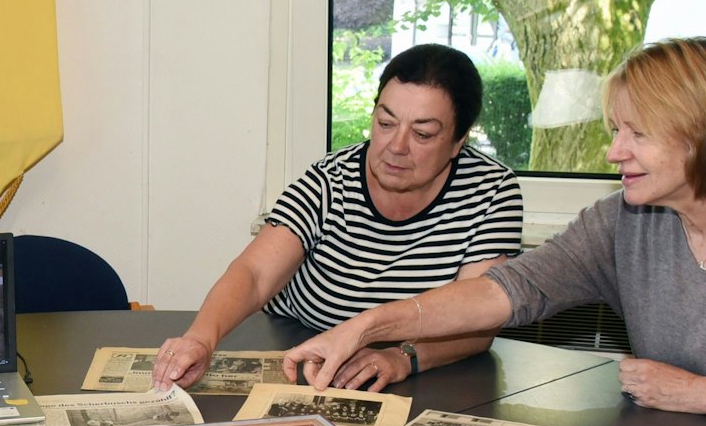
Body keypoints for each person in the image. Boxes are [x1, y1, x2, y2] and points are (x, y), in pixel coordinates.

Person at [282, 36, 706, 426]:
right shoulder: (625, 219)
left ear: (700, 134)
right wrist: (370, 325)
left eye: (635, 134)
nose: (615, 152)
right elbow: (503, 292)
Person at [153, 44, 523, 393]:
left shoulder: (491, 192)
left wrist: (403, 358)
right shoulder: (331, 178)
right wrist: (201, 337)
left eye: (423, 134)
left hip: (419, 371)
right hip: (299, 351)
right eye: (386, 123)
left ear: (459, 142)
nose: (397, 146)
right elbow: (255, 273)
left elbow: (478, 317)